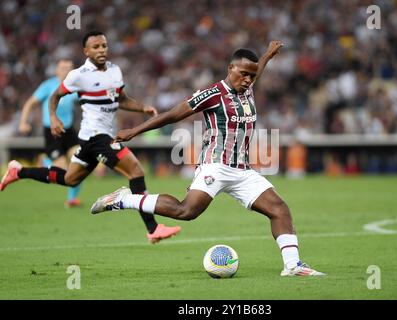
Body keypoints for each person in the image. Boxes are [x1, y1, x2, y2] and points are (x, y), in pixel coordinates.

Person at [91, 41, 325, 276]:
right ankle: (124, 199)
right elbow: (172, 115)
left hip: (243, 170)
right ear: (230, 68)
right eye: (243, 74)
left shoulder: (248, 85)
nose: (247, 79)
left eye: (251, 76)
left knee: (279, 209)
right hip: (216, 165)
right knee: (187, 211)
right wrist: (135, 131)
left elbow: (255, 70)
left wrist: (268, 55)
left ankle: (292, 265)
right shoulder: (212, 94)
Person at [1, 31, 180, 243]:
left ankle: (19, 171)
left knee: (70, 178)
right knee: (135, 170)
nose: (101, 50)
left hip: (91, 139)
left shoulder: (115, 71)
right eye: (95, 47)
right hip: (96, 137)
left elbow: (120, 99)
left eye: (104, 45)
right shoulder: (79, 75)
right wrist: (53, 117)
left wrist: (143, 108)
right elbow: (54, 96)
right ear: (86, 51)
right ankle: (153, 229)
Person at [18, 58, 83, 208]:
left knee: (80, 164)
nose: (66, 70)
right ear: (56, 70)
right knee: (62, 171)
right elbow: (30, 103)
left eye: (69, 68)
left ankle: (72, 199)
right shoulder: (48, 86)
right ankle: (45, 161)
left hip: (69, 130)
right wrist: (23, 122)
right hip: (52, 131)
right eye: (63, 67)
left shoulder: (75, 86)